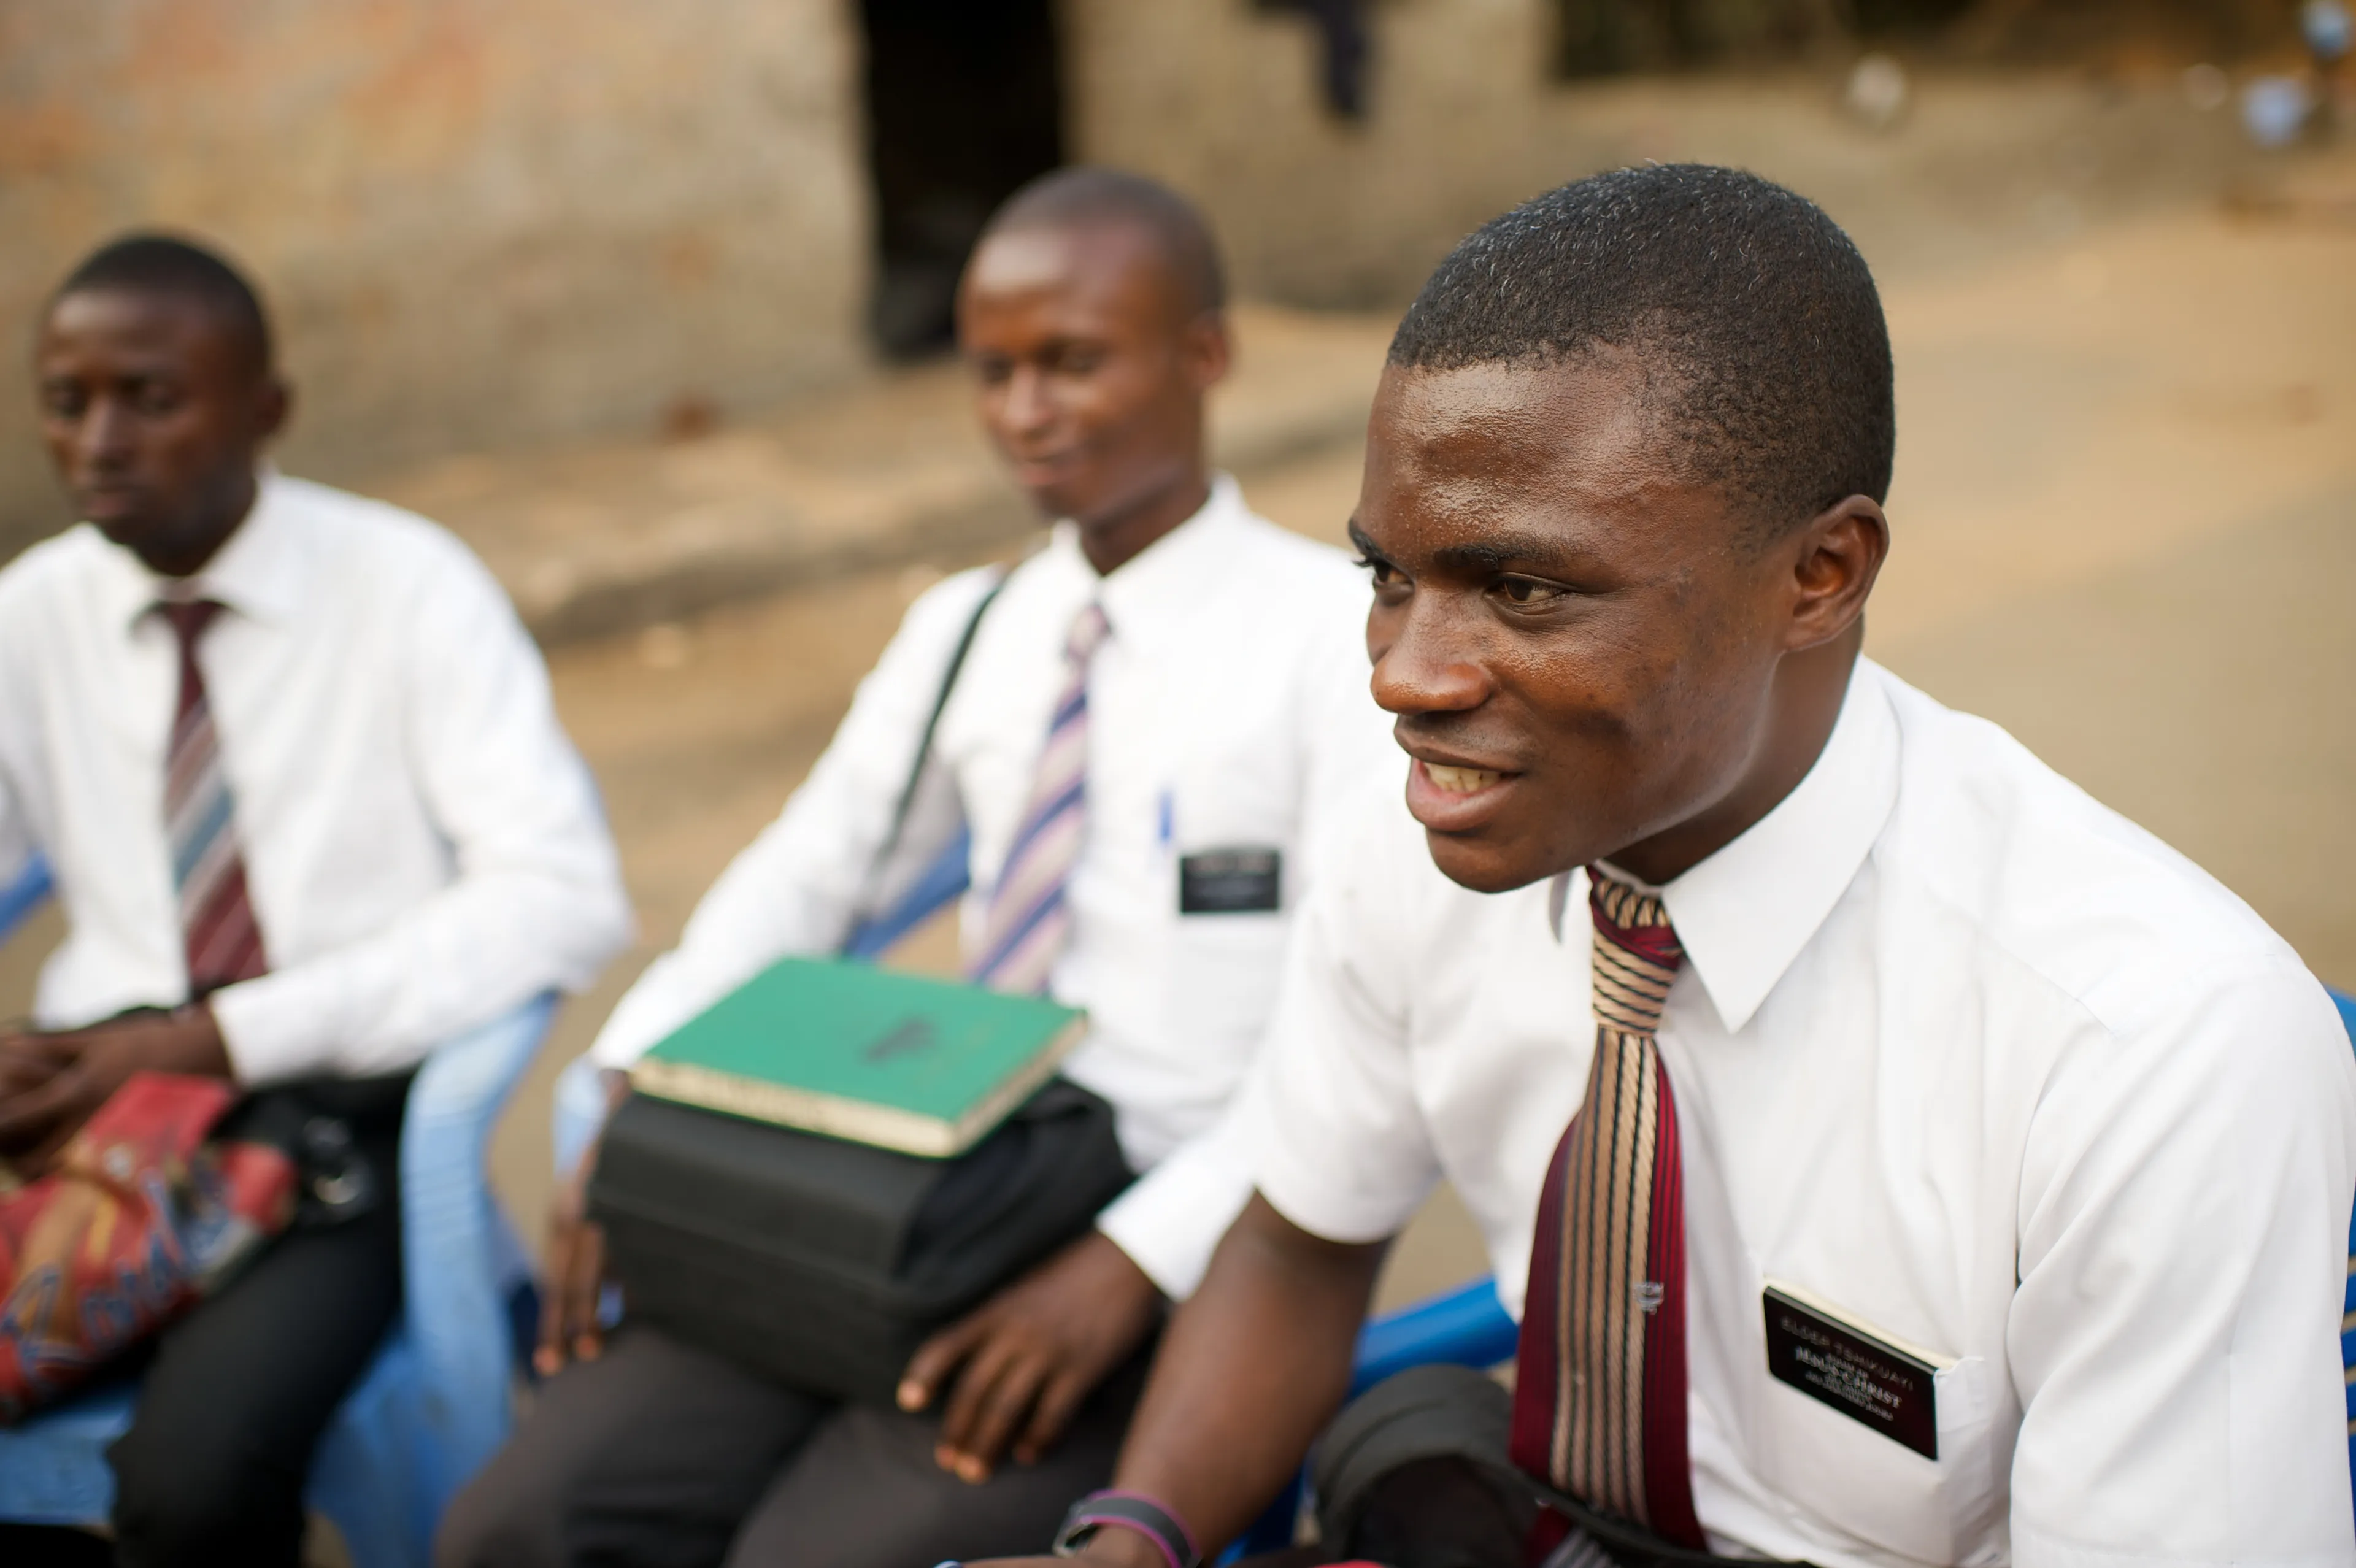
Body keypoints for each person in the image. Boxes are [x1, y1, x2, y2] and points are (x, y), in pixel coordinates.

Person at [966, 166, 2356, 1568]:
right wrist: (1133, 1542)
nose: (1402, 675)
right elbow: (1300, 1237)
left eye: (1523, 589)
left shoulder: (2147, 1053)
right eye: (1388, 576)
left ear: (1820, 576)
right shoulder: (1434, 842)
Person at [436, 168, 1395, 1568]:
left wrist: (1132, 1263)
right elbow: (816, 867)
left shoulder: (1328, 643)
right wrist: (630, 1083)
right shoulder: (977, 625)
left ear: (1205, 354)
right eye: (993, 370)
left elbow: (1362, 1029)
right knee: (515, 1525)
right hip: (916, 1188)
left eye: (1073, 362)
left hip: (1157, 1238)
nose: (1023, 411)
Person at [0, 235, 632, 1566]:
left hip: (327, 1126)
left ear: (267, 410)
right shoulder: (33, 615)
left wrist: (220, 1038)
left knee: (192, 1486)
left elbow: (562, 893)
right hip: (94, 1116)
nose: (99, 440)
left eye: (152, 399)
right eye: (68, 400)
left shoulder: (408, 590)